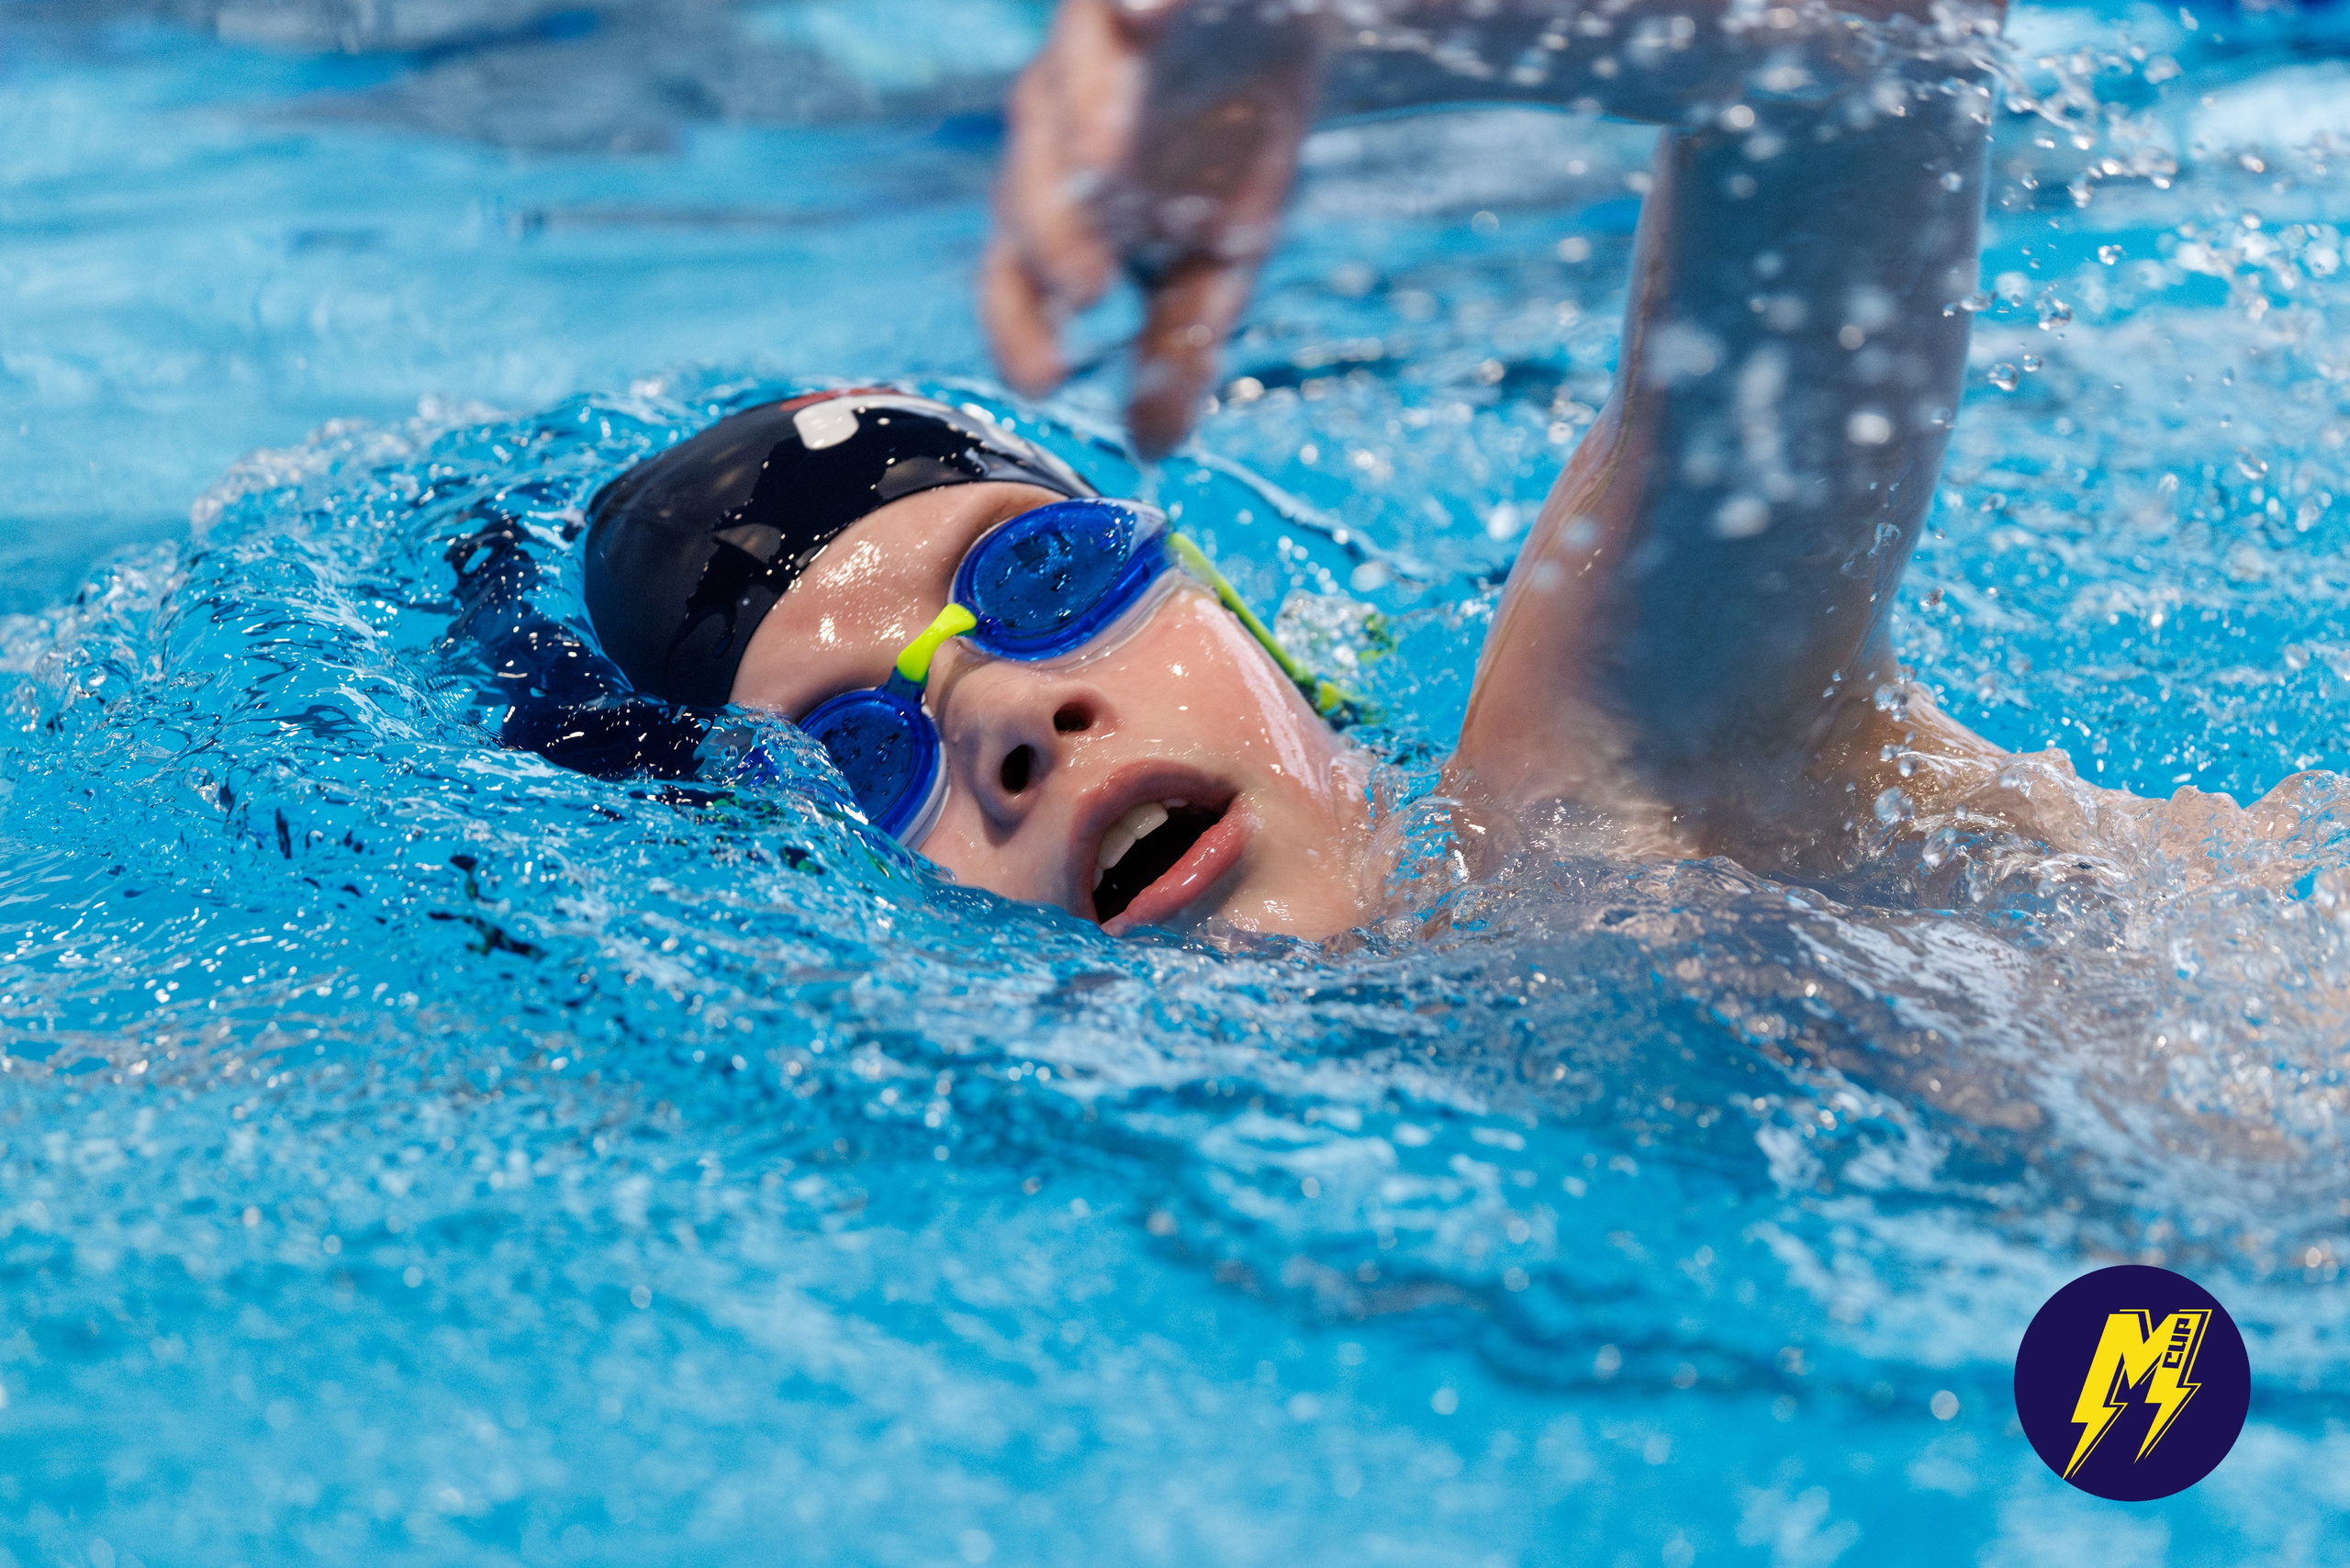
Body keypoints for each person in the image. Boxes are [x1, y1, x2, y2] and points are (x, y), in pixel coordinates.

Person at [562, 0, 2304, 941]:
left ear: (1248, 616)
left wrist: (1332, 31)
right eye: (862, 751)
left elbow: (1865, 52)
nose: (1011, 721)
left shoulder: (1610, 801)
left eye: (1044, 578)